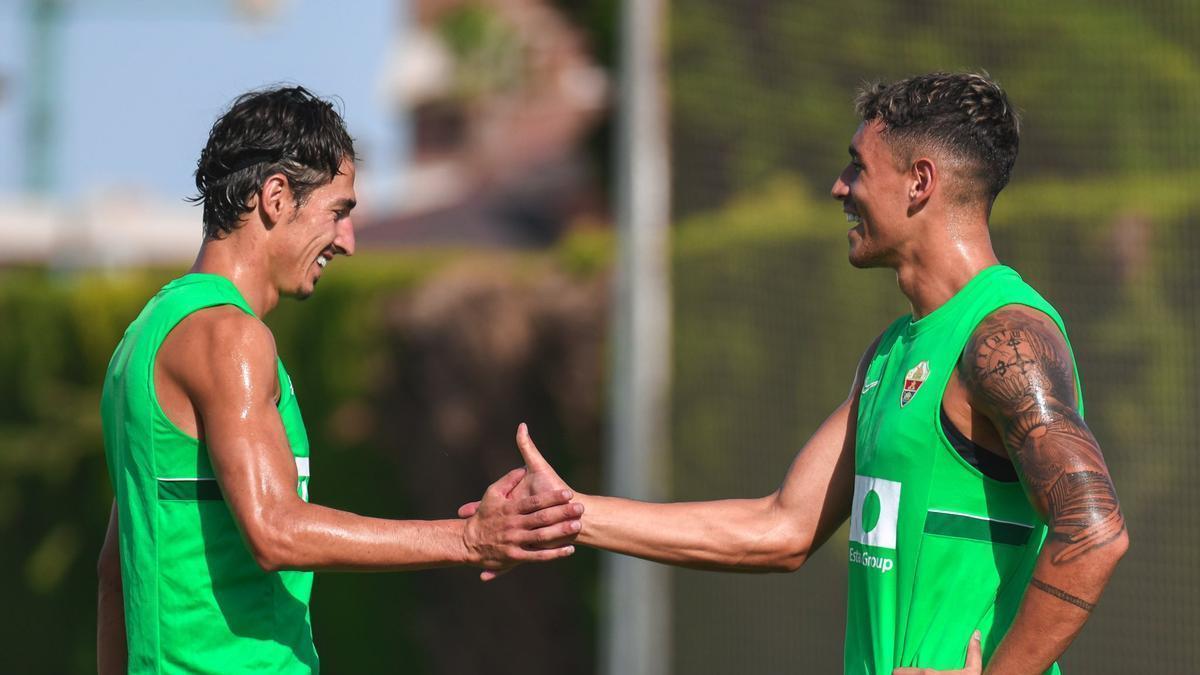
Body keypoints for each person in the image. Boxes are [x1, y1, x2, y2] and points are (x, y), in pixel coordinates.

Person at [477, 73, 1128, 673]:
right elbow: (781, 528)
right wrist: (571, 514)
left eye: (858, 165)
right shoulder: (889, 353)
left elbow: (1094, 530)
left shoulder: (1003, 336)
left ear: (920, 181)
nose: (839, 187)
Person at [96, 86, 583, 674]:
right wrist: (470, 539)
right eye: (339, 212)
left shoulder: (143, 338)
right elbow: (276, 531)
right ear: (276, 197)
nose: (348, 242)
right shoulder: (231, 338)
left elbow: (115, 569)